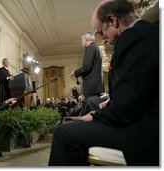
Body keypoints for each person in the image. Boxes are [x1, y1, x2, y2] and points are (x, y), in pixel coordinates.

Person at [49, 0, 158, 166]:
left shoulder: (133, 37)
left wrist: (95, 117)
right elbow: (139, 91)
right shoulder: (152, 31)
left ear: (112, 20)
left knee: (63, 133)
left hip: (147, 133)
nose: (102, 39)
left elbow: (125, 109)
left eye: (100, 32)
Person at [69, 32, 103, 100]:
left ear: (87, 40)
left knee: (91, 108)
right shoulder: (96, 48)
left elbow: (87, 67)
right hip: (95, 86)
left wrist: (75, 72)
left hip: (91, 87)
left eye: (82, 40)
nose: (81, 42)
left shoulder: (90, 48)